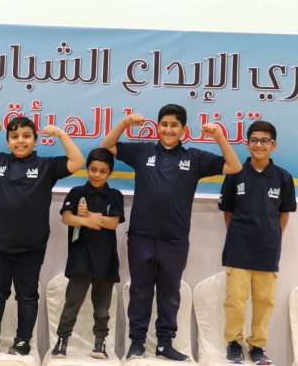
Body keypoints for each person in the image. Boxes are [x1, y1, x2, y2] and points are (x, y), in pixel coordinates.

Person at [100, 104, 242, 361]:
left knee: (170, 294)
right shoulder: (142, 151)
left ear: (183, 129)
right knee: (140, 291)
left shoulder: (194, 157)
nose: (168, 129)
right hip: (141, 235)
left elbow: (234, 166)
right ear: (157, 127)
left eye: (174, 125)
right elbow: (106, 146)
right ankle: (137, 343)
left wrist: (219, 136)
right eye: (164, 124)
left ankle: (164, 344)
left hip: (175, 239)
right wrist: (125, 123)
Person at [0, 117, 85, 356]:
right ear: (8, 142)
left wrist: (60, 134)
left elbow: (77, 161)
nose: (20, 141)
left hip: (31, 246)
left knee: (27, 296)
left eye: (26, 136)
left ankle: (22, 340)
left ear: (35, 141)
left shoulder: (46, 166)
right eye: (14, 137)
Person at [219, 121, 296, 364]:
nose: (259, 145)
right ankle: (234, 343)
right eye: (254, 140)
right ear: (247, 143)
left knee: (264, 302)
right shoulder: (235, 173)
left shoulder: (283, 177)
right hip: (238, 249)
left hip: (267, 252)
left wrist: (273, 238)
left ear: (274, 145)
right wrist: (238, 235)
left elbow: (284, 214)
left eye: (264, 140)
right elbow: (228, 210)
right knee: (235, 301)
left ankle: (257, 347)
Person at [51, 148, 124, 360]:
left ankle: (100, 343)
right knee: (71, 304)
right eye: (93, 169)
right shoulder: (77, 193)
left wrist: (91, 215)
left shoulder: (115, 195)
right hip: (80, 259)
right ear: (87, 169)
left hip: (106, 261)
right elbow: (66, 218)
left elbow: (113, 223)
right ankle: (62, 341)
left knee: (102, 308)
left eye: (102, 171)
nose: (97, 175)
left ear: (110, 173)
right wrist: (87, 221)